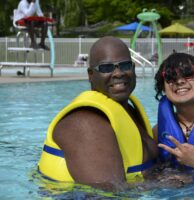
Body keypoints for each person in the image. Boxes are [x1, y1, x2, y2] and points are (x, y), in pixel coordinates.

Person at [37, 36, 158, 190]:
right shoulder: (85, 122)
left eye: (125, 65)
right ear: (90, 75)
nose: (118, 73)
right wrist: (165, 184)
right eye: (106, 68)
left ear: (133, 68)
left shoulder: (129, 111)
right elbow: (106, 194)